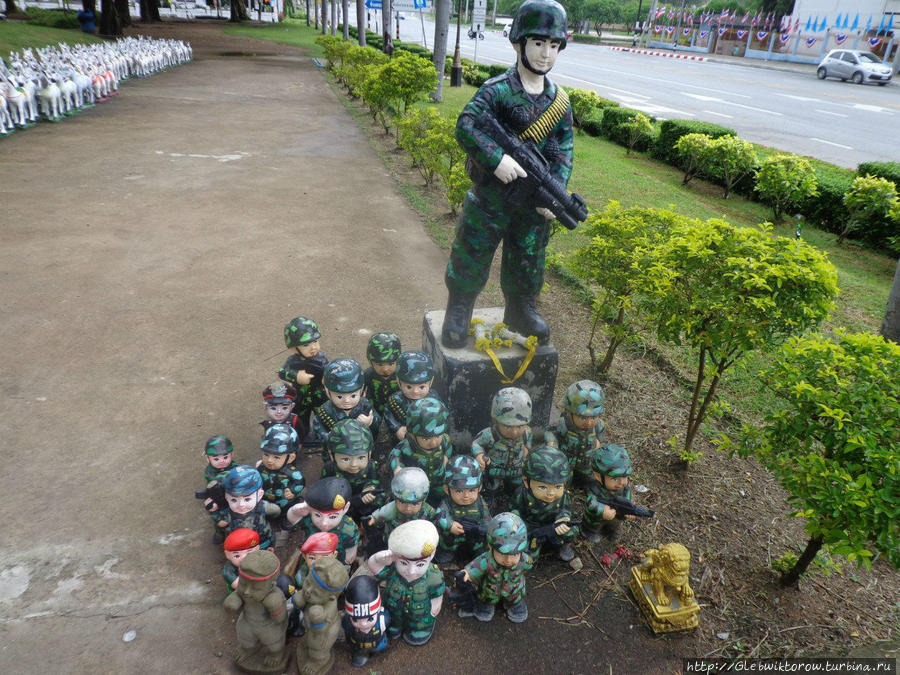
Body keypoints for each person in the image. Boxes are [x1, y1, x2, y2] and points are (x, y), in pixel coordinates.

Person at [442, 0, 574, 348]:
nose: (546, 54)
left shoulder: (558, 100)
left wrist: (555, 193)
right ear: (519, 43)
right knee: (473, 252)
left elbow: (563, 150)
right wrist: (498, 159)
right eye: (538, 43)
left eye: (554, 45)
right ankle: (459, 308)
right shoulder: (497, 89)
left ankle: (520, 309)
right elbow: (467, 125)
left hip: (532, 202)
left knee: (529, 258)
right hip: (491, 198)